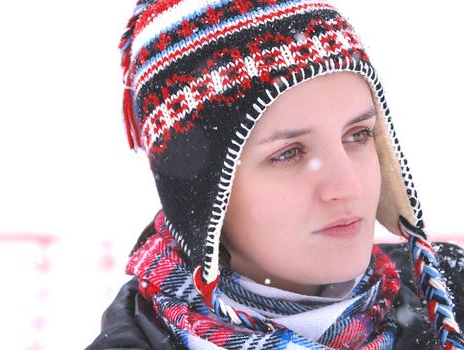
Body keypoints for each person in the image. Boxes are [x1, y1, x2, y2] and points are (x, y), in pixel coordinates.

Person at [87, 0, 464, 349]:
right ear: (198, 197)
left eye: (358, 135)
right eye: (288, 153)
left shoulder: (451, 294)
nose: (347, 186)